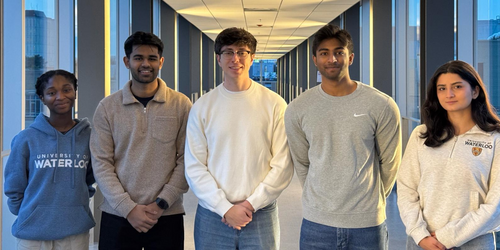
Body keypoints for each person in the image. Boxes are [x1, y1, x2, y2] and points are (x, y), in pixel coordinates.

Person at [284, 24, 402, 250]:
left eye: (339, 52)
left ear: (351, 58)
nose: (332, 59)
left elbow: (390, 163)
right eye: (324, 53)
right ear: (314, 60)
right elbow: (301, 162)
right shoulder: (298, 109)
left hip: (367, 224)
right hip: (317, 222)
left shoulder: (382, 105)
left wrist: (369, 201)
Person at [184, 27, 293, 250]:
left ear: (252, 58)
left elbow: (283, 164)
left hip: (260, 214)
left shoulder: (275, 104)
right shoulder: (203, 107)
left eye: (242, 52)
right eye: (228, 52)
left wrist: (251, 204)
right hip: (213, 214)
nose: (235, 59)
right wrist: (224, 207)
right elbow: (194, 166)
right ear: (218, 59)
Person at [90, 31, 192, 250]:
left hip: (167, 214)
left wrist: (162, 202)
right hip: (118, 214)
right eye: (138, 58)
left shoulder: (181, 105)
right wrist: (128, 208)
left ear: (161, 62)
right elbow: (101, 163)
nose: (145, 64)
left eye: (152, 58)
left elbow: (188, 158)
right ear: (127, 62)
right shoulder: (108, 107)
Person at [397, 60, 500, 250]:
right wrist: (420, 235)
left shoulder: (495, 139)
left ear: (475, 91)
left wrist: (449, 236)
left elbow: (496, 204)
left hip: (475, 241)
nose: (449, 94)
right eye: (442, 89)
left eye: (457, 87)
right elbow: (406, 189)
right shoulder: (421, 135)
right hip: (424, 241)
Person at [4, 69, 95, 250]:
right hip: (33, 234)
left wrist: (76, 204)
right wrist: (31, 213)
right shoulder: (26, 139)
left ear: (75, 92)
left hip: (75, 231)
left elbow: (91, 178)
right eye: (52, 93)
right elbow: (14, 186)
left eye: (67, 89)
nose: (60, 97)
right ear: (42, 98)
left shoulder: (90, 137)